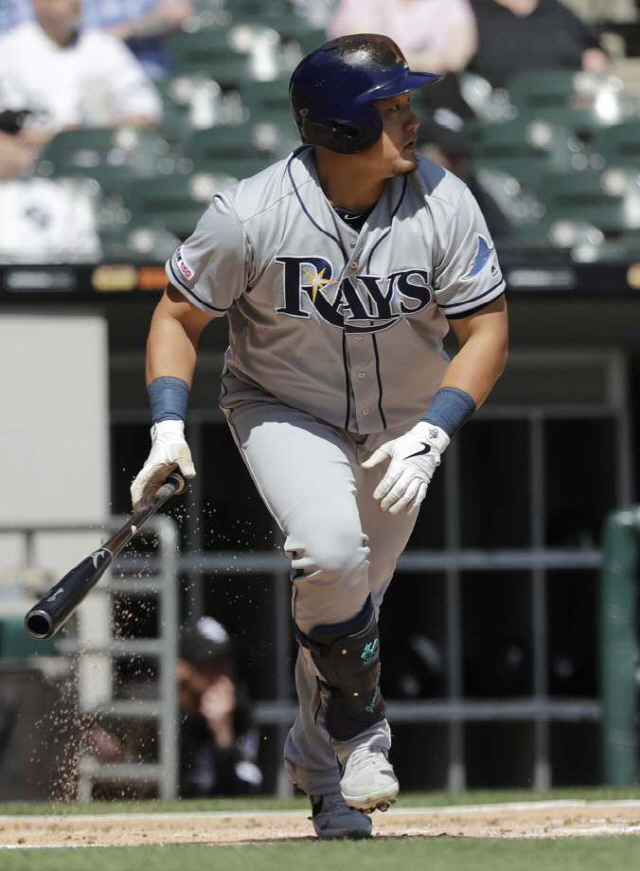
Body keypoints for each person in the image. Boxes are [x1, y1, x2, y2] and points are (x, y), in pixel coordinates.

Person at [131, 34, 509, 840]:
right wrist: (166, 424)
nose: (412, 119)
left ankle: (318, 767)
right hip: (282, 406)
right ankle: (363, 734)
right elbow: (177, 316)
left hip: (404, 423)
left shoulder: (445, 201)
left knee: (349, 606)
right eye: (392, 107)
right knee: (332, 555)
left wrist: (436, 432)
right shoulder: (250, 213)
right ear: (340, 128)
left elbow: (488, 330)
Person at [0, 0, 162, 148]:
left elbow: (146, 110)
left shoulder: (103, 45)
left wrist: (93, 132)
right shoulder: (10, 50)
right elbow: (12, 123)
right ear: (37, 3)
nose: (72, 3)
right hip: (34, 158)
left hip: (103, 151)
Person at [178, 616, 262, 797]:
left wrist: (223, 735)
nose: (224, 675)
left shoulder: (236, 710)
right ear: (184, 669)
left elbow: (246, 789)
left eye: (226, 663)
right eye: (212, 665)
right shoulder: (157, 710)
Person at [469, 0, 611, 90]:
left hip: (560, 108)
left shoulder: (555, 11)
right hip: (496, 113)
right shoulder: (469, 13)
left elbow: (593, 48)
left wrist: (594, 58)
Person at [327, 0, 478, 74]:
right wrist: (424, 62)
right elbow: (367, 54)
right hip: (367, 87)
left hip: (432, 90)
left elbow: (460, 53)